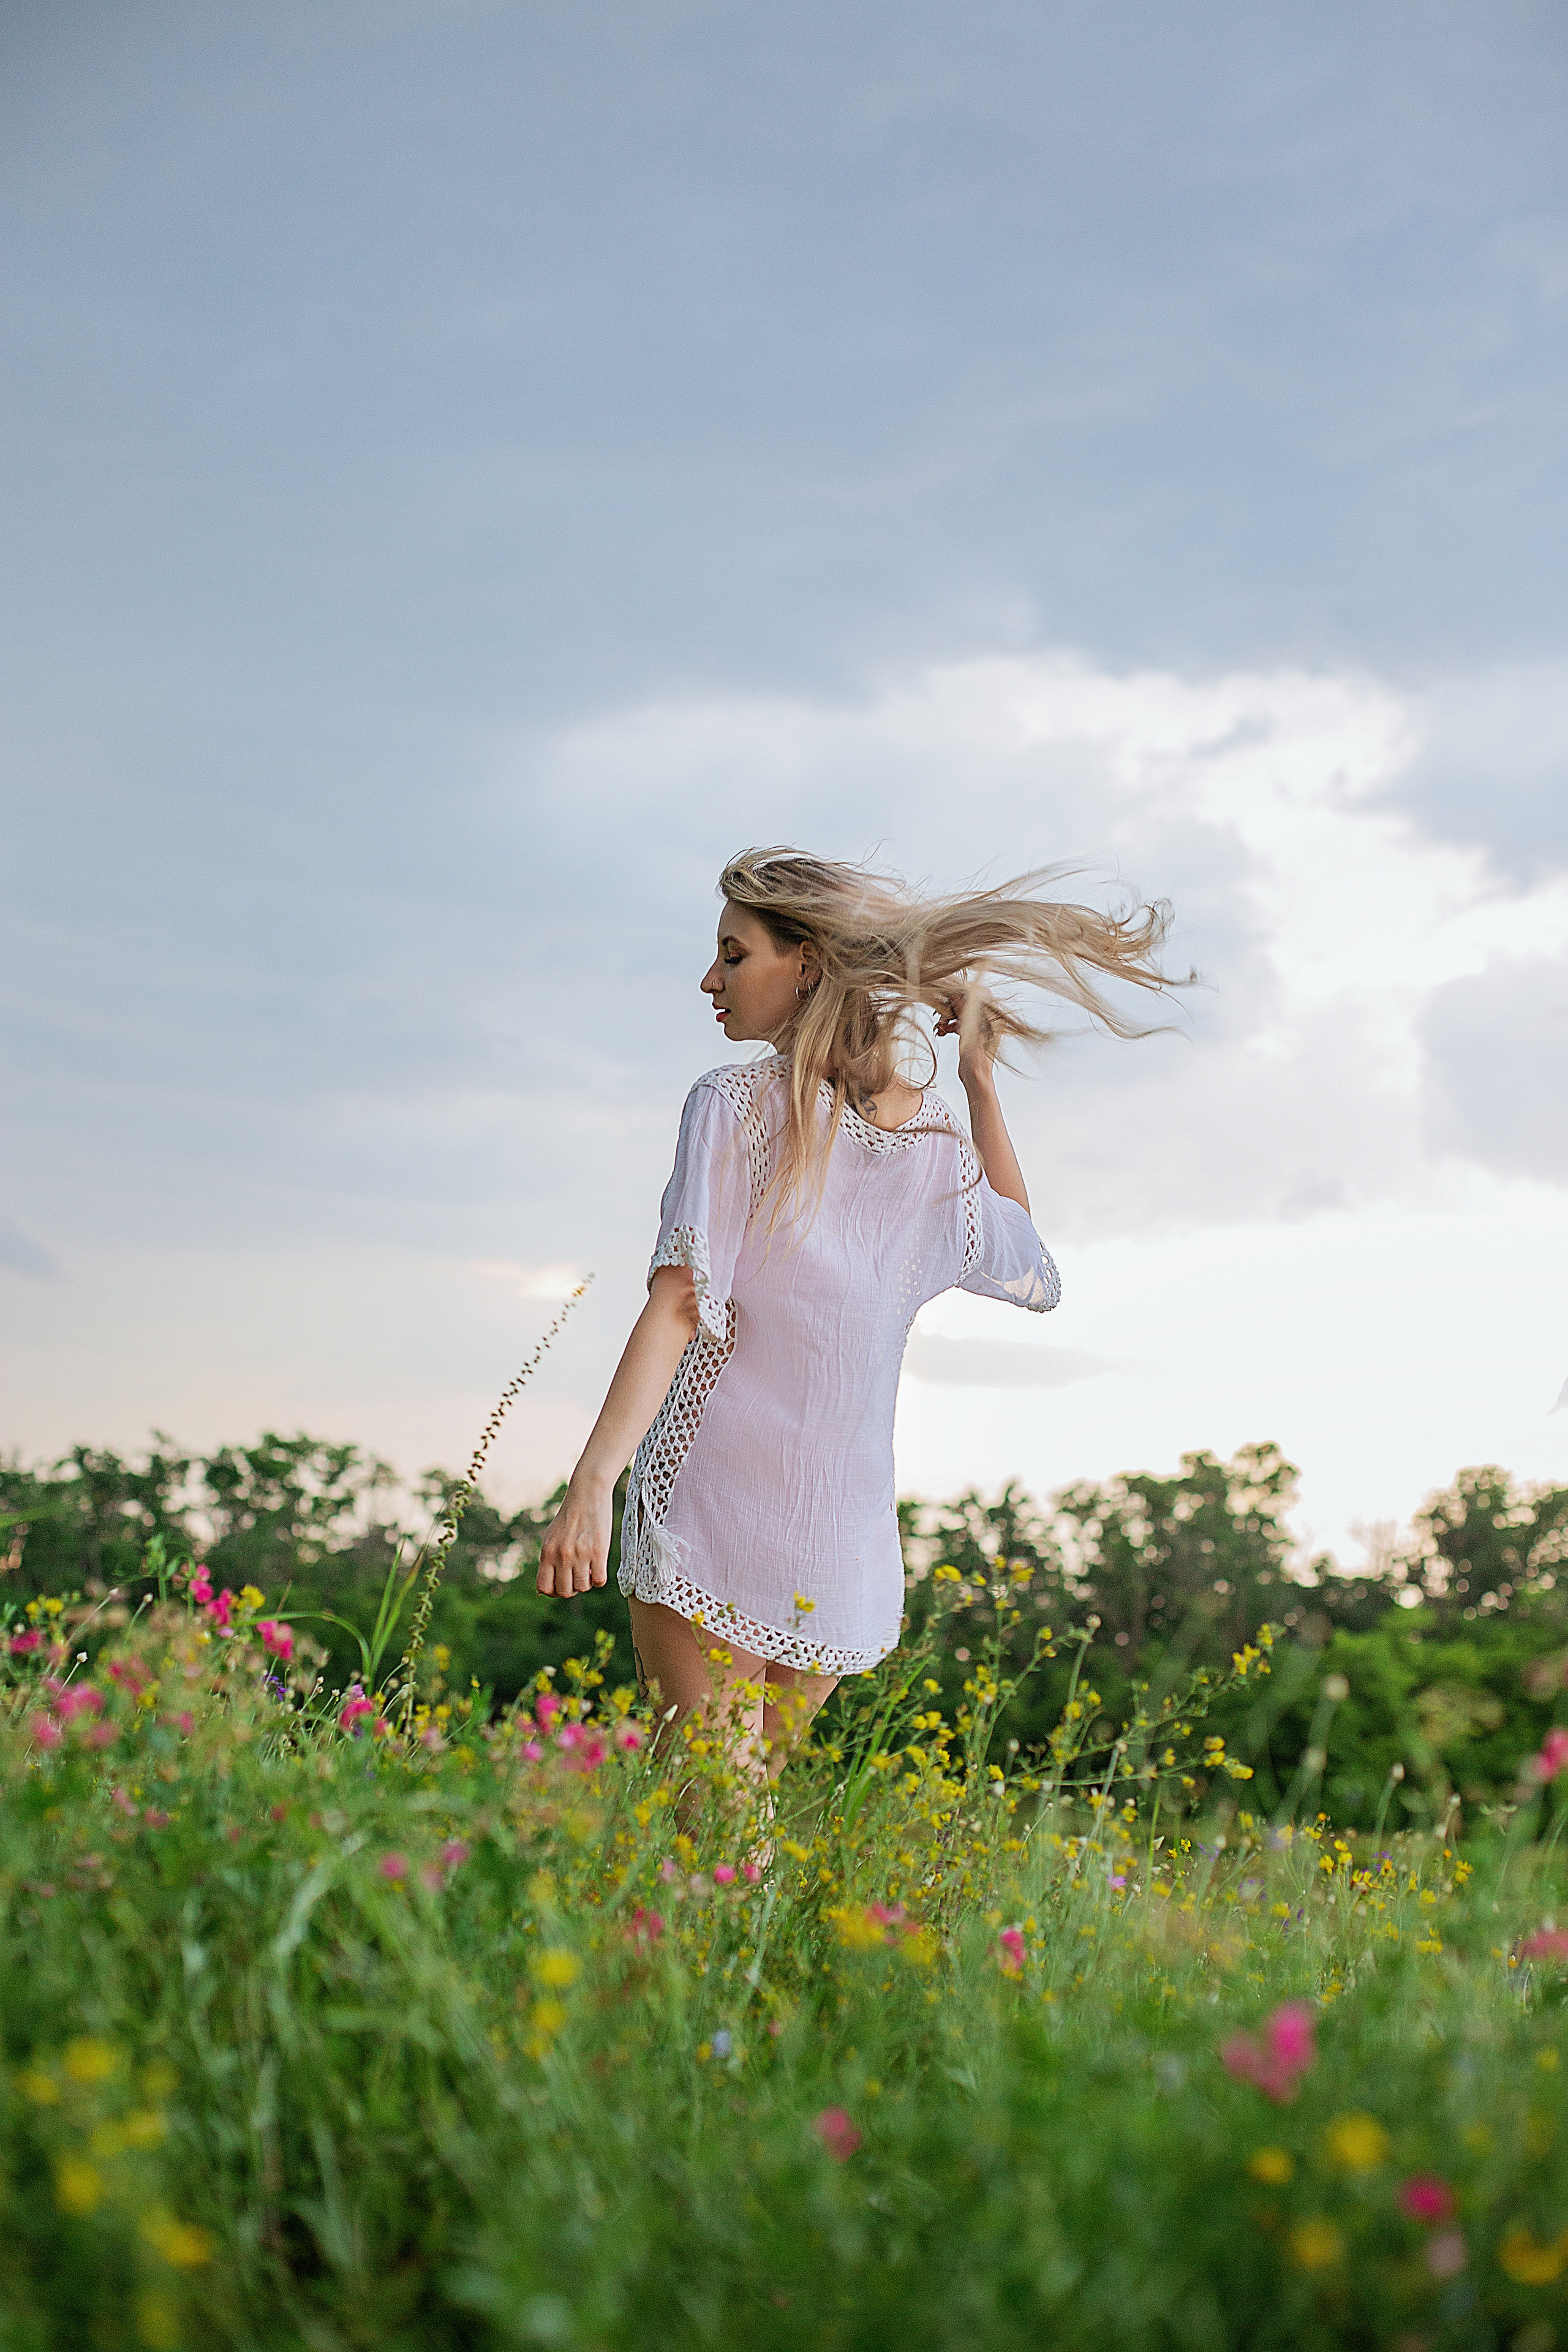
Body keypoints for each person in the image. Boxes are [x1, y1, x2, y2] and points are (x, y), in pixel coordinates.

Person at [536, 846, 1174, 1792]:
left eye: (733, 955)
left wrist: (595, 1482)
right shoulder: (832, 1121)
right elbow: (1020, 1252)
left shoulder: (820, 1122)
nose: (710, 980)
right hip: (773, 1520)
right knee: (729, 1825)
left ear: (805, 964)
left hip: (785, 1526)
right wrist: (980, 1085)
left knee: (720, 1827)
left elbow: (1020, 1260)